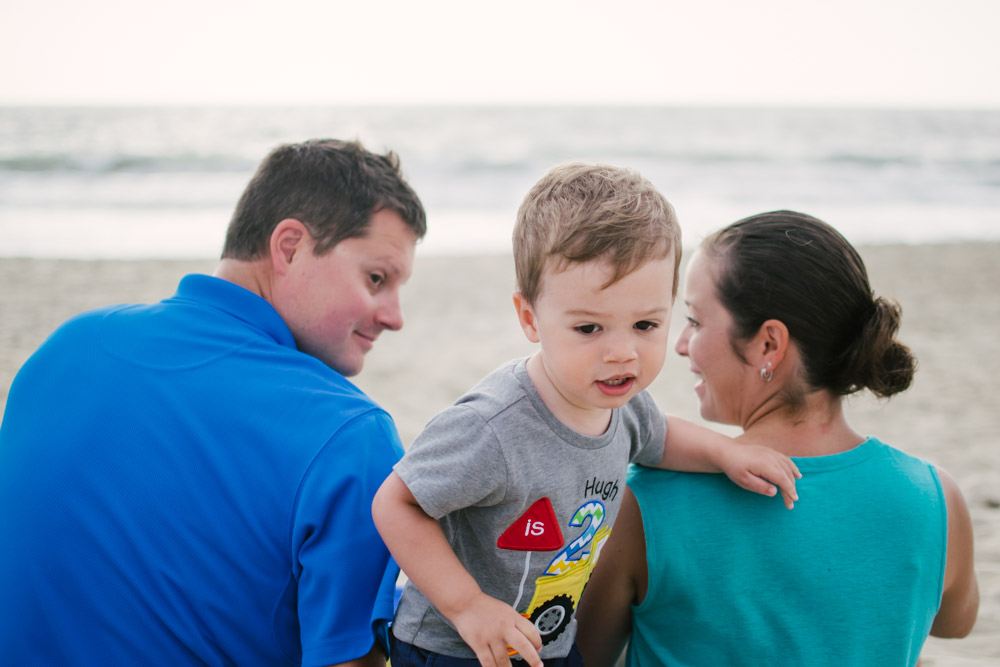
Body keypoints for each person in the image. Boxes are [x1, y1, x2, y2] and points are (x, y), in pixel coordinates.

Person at [0, 139, 427, 666]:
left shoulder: (67, 347)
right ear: (290, 247)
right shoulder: (349, 435)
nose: (394, 316)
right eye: (377, 279)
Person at [371, 165, 801, 667]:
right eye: (589, 329)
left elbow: (662, 437)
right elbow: (396, 503)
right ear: (530, 318)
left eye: (646, 325)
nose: (622, 353)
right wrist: (467, 606)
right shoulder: (492, 427)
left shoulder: (625, 406)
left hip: (549, 641)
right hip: (458, 648)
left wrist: (726, 453)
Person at [575, 210, 980, 667]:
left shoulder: (645, 502)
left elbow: (581, 655)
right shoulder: (936, 496)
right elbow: (955, 622)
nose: (682, 344)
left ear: (769, 344)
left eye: (696, 321)